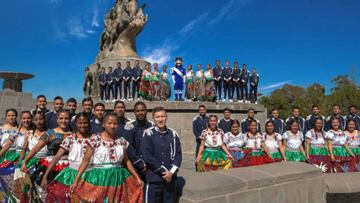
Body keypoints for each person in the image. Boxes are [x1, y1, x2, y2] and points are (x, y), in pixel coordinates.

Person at [70, 113, 143, 202]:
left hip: (118, 178)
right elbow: (85, 161)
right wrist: (76, 180)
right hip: (99, 177)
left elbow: (127, 161)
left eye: (115, 123)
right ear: (103, 124)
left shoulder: (121, 141)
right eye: (109, 123)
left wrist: (137, 178)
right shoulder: (94, 140)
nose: (112, 126)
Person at [21, 109, 72, 201]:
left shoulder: (74, 134)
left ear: (70, 119)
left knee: (66, 195)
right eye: (61, 118)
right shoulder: (50, 133)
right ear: (57, 120)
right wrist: (25, 161)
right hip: (51, 166)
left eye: (66, 118)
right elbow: (36, 148)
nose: (63, 121)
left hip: (68, 168)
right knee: (48, 193)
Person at [40, 113, 91, 202]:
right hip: (71, 174)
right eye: (80, 123)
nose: (83, 125)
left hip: (89, 175)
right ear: (75, 123)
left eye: (85, 123)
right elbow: (56, 158)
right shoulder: (70, 139)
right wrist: (45, 176)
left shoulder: (95, 139)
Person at [141, 107, 182, 203]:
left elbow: (178, 156)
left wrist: (171, 173)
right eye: (157, 117)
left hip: (170, 180)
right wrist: (164, 171)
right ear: (153, 119)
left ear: (166, 117)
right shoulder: (148, 134)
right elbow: (147, 156)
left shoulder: (173, 134)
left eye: (162, 116)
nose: (160, 119)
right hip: (153, 179)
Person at [0, 111, 32, 200]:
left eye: (29, 118)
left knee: (27, 186)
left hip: (30, 159)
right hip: (17, 158)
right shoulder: (15, 131)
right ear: (21, 119)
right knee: (14, 184)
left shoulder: (34, 130)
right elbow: (7, 146)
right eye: (24, 118)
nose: (26, 120)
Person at [122, 102, 154, 173]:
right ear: (134, 112)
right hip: (135, 165)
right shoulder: (129, 126)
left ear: (146, 111)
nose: (140, 113)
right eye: (138, 111)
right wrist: (139, 163)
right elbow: (128, 147)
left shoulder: (152, 126)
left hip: (150, 165)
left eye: (142, 110)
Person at [192, 105, 209, 170]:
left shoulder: (208, 119)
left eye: (203, 110)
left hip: (207, 141)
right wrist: (200, 137)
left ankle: (206, 168)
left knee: (206, 155)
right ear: (199, 111)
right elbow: (194, 130)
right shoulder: (196, 119)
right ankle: (197, 168)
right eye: (200, 110)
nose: (202, 111)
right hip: (199, 141)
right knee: (198, 155)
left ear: (205, 110)